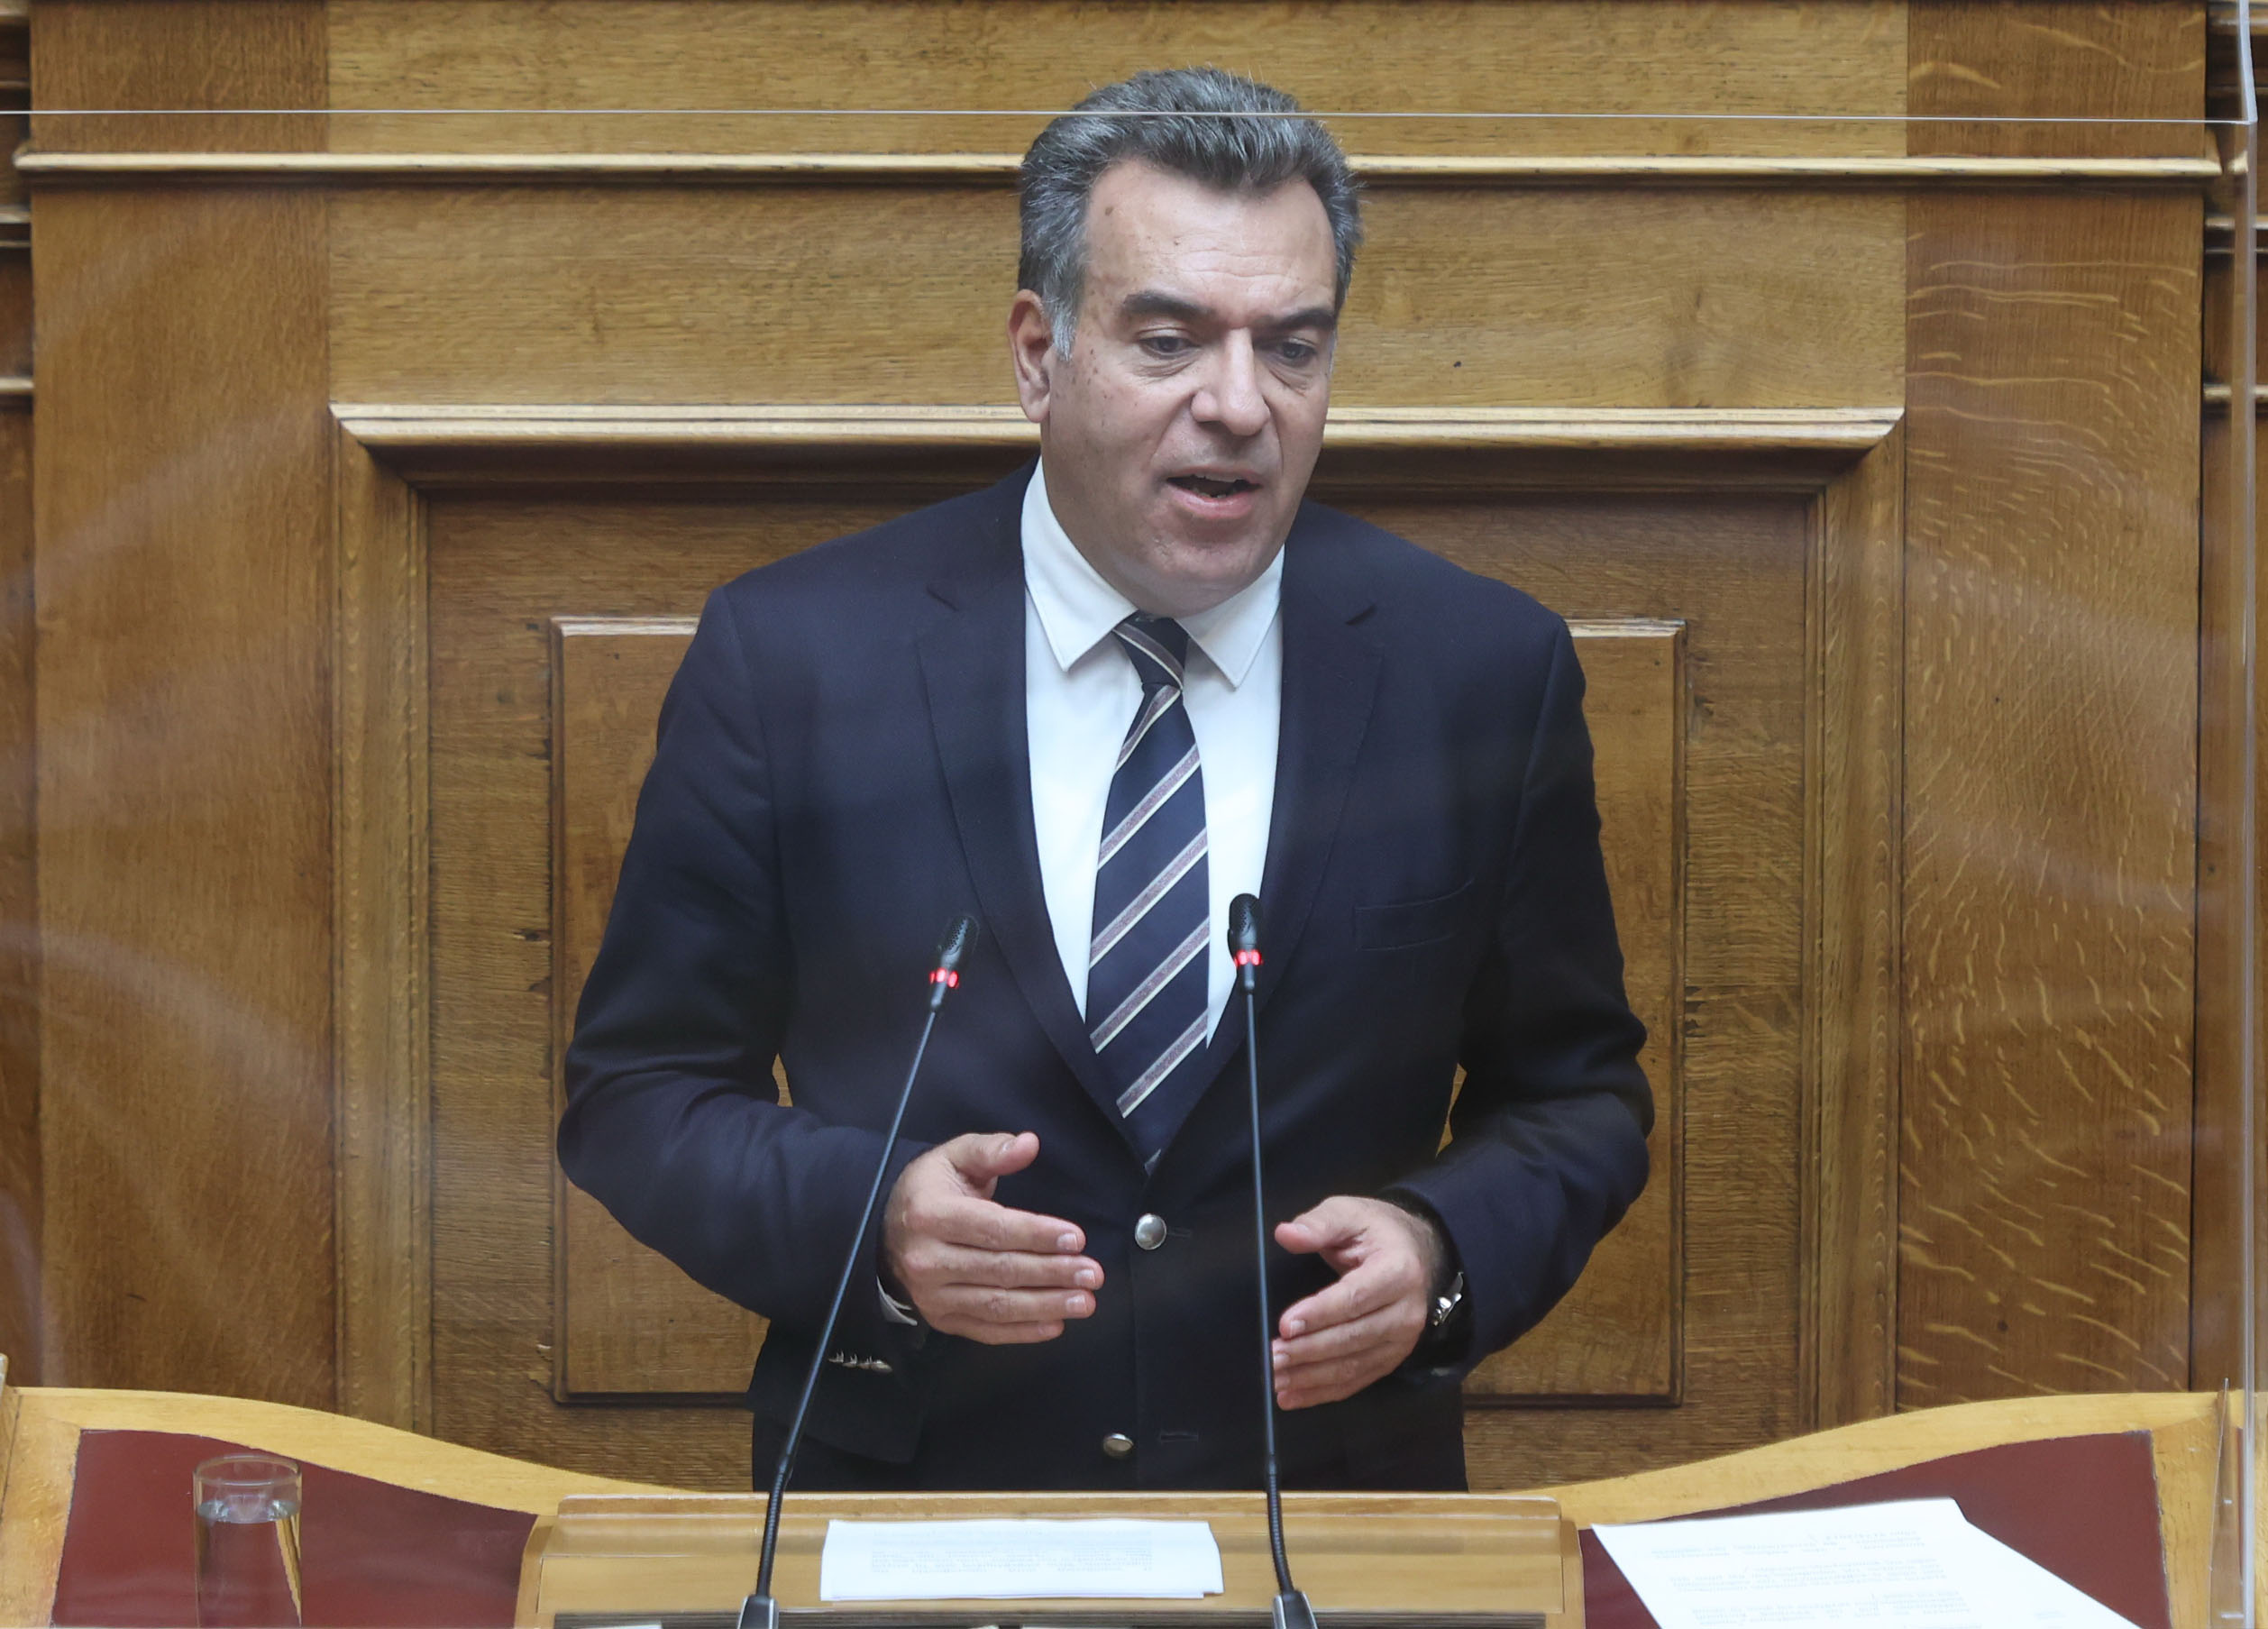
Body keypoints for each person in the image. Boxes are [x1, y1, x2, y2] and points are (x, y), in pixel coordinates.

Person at [559, 67, 1651, 1493]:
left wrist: (1443, 1249)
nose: (1240, 405)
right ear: (1039, 353)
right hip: (914, 1511)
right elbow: (639, 1094)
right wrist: (874, 1222)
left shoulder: (1480, 672)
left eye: (1293, 348)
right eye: (1169, 341)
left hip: (1323, 1512)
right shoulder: (795, 658)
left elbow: (1576, 1098)